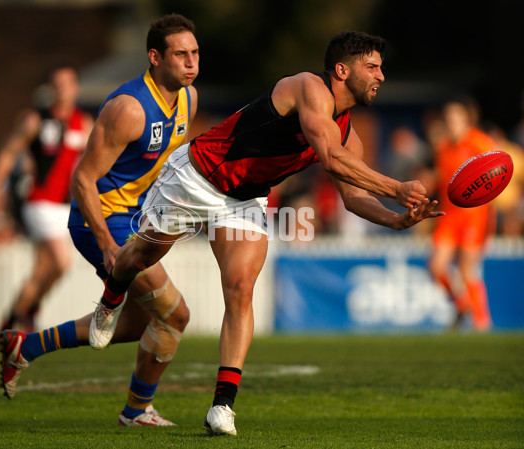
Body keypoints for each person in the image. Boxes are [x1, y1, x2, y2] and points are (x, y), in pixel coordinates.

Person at [87, 30, 444, 435]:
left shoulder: (348, 133)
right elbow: (329, 156)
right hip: (197, 177)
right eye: (373, 67)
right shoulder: (309, 87)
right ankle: (111, 298)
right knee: (140, 257)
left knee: (240, 289)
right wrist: (397, 189)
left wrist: (396, 220)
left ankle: (222, 407)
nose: (381, 75)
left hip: (245, 199)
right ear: (342, 70)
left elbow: (353, 197)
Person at [0, 13, 199, 427]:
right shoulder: (128, 109)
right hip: (101, 222)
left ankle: (24, 348)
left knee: (141, 320)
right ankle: (136, 410)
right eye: (181, 54)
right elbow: (82, 180)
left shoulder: (190, 99)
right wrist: (109, 245)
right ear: (154, 57)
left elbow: (163, 164)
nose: (191, 62)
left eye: (195, 53)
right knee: (175, 315)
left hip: (137, 220)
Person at [0, 65, 94, 332]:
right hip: (38, 201)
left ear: (76, 87)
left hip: (64, 205)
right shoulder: (36, 119)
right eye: (57, 83)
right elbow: (9, 152)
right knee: (61, 262)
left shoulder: (85, 123)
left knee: (44, 269)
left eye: (68, 83)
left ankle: (14, 318)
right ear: (50, 89)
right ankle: (25, 312)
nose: (63, 89)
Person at [428, 98, 497, 331]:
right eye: (448, 118)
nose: (451, 122)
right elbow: (441, 179)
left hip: (474, 215)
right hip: (449, 215)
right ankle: (461, 304)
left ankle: (481, 322)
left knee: (467, 269)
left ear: (467, 119)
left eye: (456, 117)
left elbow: (497, 172)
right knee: (437, 267)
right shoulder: (443, 147)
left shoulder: (480, 143)